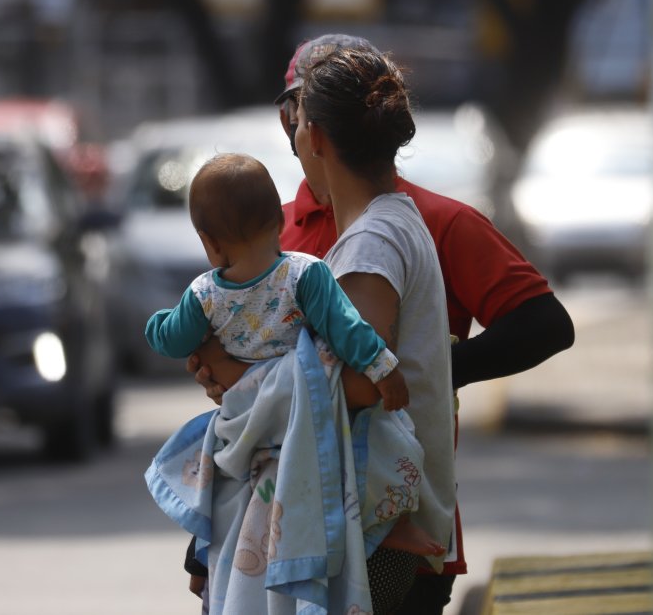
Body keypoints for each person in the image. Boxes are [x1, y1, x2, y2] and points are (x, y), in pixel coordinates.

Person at [187, 34, 576, 614]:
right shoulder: (271, 235)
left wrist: (432, 372)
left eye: (303, 113)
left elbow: (352, 387)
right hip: (299, 511)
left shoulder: (400, 230)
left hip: (376, 522)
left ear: (313, 128)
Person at [144, 152, 446, 558]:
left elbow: (172, 341)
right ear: (280, 222)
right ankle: (389, 522)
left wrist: (158, 323)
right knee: (384, 442)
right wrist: (382, 366)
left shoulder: (203, 296)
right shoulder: (305, 274)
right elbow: (346, 329)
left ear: (210, 243)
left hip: (249, 424)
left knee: (241, 488)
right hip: (305, 410)